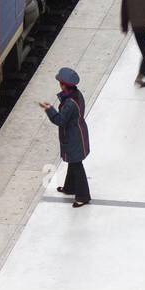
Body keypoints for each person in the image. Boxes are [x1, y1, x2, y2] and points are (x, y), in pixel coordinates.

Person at [41, 67, 91, 207]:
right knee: (73, 161)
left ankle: (83, 196)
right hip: (78, 132)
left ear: (63, 85)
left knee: (76, 164)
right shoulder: (76, 94)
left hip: (73, 136)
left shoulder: (69, 103)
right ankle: (70, 187)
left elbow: (60, 120)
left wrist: (49, 109)